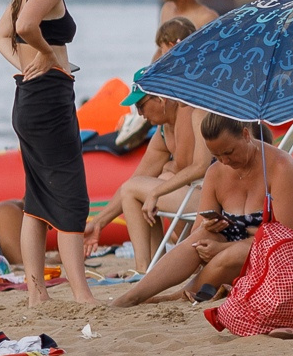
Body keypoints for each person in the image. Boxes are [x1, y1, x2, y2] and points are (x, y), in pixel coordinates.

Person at [0, 0, 96, 305]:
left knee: (36, 200)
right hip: (48, 101)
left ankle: (37, 295)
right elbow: (20, 29)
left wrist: (25, 67)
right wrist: (48, 56)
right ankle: (82, 294)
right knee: (71, 195)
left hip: (30, 98)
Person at [110, 114, 293, 308]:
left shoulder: (281, 167)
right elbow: (197, 232)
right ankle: (136, 294)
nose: (225, 161)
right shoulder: (216, 172)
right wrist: (209, 227)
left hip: (289, 264)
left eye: (228, 152)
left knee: (233, 254)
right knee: (200, 237)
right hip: (241, 257)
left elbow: (281, 242)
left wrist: (220, 249)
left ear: (246, 135)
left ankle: (180, 294)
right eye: (216, 156)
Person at [86, 73, 208, 271]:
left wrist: (166, 175)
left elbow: (191, 167)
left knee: (148, 184)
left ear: (161, 98)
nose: (139, 113)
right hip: (192, 196)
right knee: (151, 182)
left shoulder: (189, 113)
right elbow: (138, 179)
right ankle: (155, 265)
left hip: (209, 199)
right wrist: (99, 222)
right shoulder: (163, 130)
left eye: (141, 105)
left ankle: (144, 269)